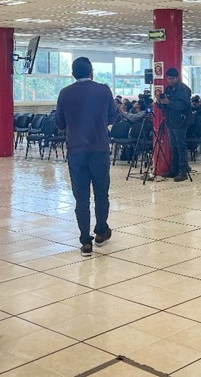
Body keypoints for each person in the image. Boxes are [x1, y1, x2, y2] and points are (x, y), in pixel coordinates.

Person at [55, 57, 118, 257]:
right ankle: (101, 231)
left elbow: (60, 123)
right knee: (101, 193)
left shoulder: (65, 93)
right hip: (99, 149)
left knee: (81, 197)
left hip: (76, 151)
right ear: (92, 72)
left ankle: (85, 241)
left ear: (73, 74)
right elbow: (113, 116)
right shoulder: (103, 90)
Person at [157, 67, 192, 182]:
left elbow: (183, 105)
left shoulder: (184, 89)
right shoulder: (169, 89)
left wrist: (169, 102)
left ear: (177, 78)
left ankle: (183, 171)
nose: (170, 81)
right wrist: (160, 102)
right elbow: (165, 104)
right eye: (168, 79)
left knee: (181, 146)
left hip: (181, 121)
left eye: (172, 78)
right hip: (170, 120)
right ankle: (174, 170)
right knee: (173, 146)